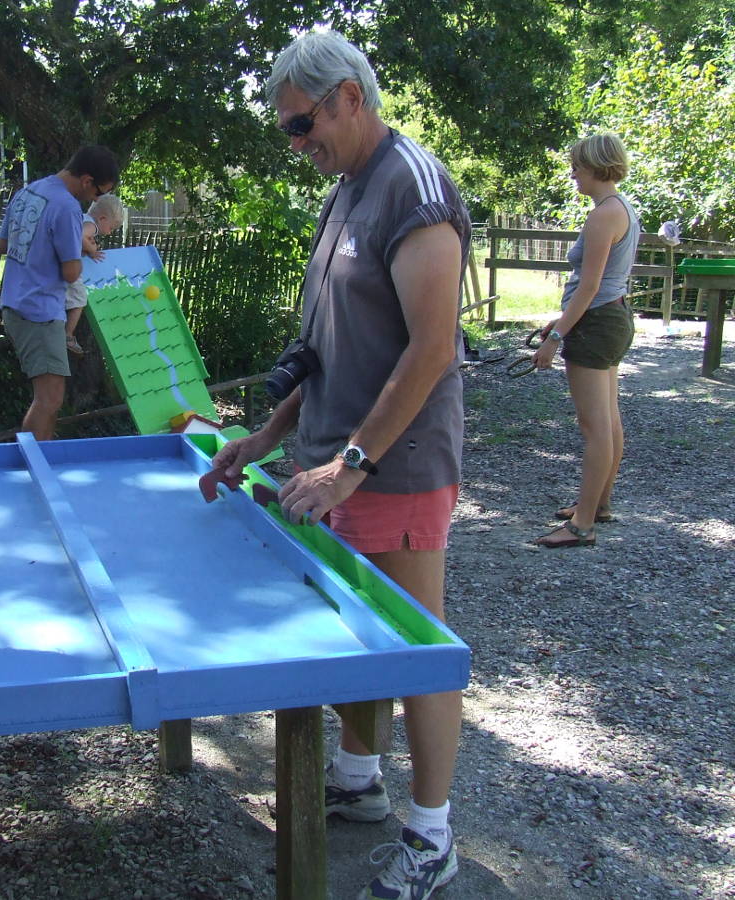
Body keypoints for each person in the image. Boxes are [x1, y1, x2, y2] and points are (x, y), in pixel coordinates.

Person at [208, 31, 468, 900]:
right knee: (358, 634)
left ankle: (432, 839)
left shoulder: (414, 190)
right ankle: (358, 779)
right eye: (286, 128)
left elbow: (431, 349)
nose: (296, 142)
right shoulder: (346, 189)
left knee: (417, 646)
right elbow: (322, 350)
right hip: (332, 461)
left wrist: (351, 465)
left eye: (301, 123)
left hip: (395, 467)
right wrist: (264, 440)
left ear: (350, 97)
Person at [532, 133, 639, 548]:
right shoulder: (620, 207)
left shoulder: (602, 216)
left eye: (578, 165)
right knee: (609, 420)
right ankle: (598, 504)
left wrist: (556, 336)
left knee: (594, 428)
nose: (573, 172)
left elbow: (589, 286)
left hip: (596, 323)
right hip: (611, 319)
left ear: (597, 167)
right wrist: (560, 321)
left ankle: (582, 526)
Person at [0, 145, 119, 439]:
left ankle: (42, 462)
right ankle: (35, 470)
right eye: (99, 192)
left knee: (49, 398)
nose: (97, 200)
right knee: (49, 399)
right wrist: (78, 255)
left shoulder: (28, 192)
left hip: (15, 302)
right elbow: (70, 272)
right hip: (39, 310)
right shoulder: (67, 207)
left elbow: (2, 246)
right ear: (87, 180)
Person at [65, 193, 124, 355]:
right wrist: (92, 249)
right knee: (80, 299)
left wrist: (87, 249)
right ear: (103, 218)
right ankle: (68, 334)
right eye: (111, 227)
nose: (110, 232)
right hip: (68, 266)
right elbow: (80, 236)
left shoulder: (82, 218)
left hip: (60, 262)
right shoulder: (92, 225)